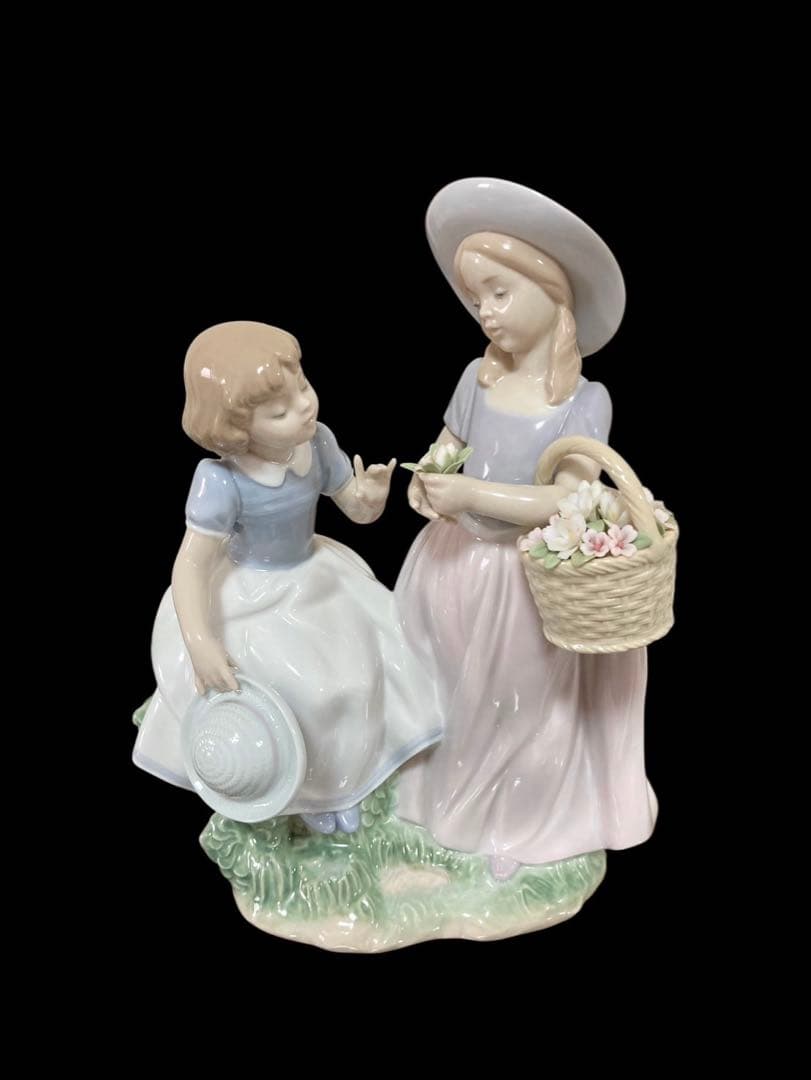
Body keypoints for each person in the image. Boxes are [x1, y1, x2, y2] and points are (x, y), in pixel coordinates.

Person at [394, 179, 657, 878]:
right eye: (475, 297)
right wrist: (427, 482)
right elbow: (445, 449)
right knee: (445, 689)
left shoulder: (583, 400)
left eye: (500, 293)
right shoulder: (474, 379)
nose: (485, 312)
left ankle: (514, 824)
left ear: (551, 292)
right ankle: (440, 803)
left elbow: (567, 500)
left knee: (518, 704)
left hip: (521, 582)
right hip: (448, 565)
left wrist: (471, 492)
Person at [133, 320, 442, 833]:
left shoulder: (316, 442)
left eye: (303, 387)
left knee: (379, 656)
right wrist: (200, 641)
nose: (304, 407)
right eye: (279, 412)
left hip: (315, 576)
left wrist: (370, 498)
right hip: (253, 592)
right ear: (236, 429)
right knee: (308, 691)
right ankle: (312, 792)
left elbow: (353, 506)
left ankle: (348, 777)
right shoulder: (221, 480)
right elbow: (191, 564)